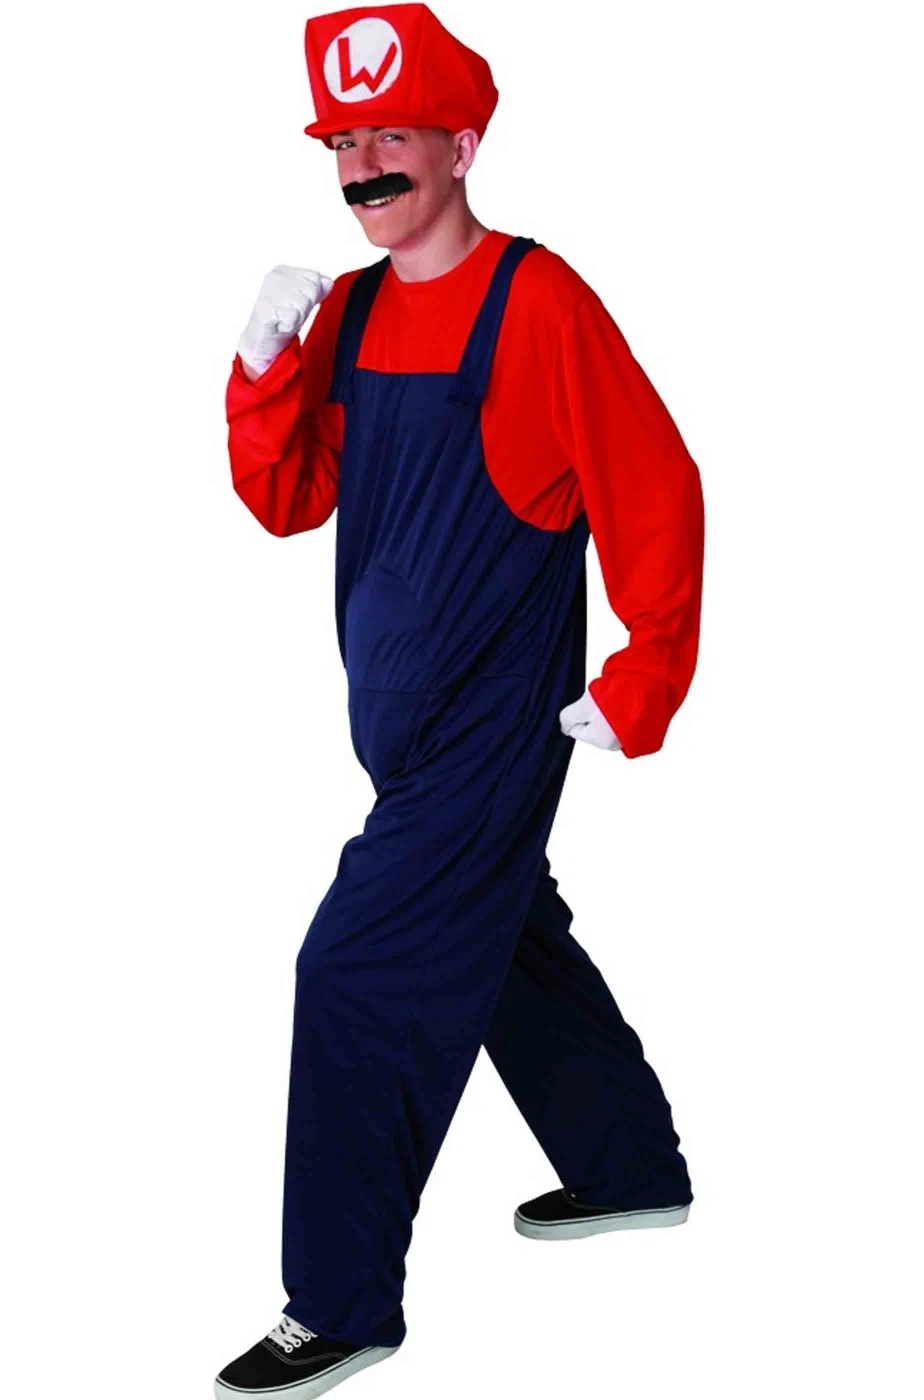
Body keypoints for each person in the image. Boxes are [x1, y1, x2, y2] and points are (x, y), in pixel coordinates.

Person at [217, 5, 705, 1396]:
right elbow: (290, 500)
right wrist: (262, 370)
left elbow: (655, 485)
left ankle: (340, 1305)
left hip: (497, 727)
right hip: (395, 723)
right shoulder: (354, 312)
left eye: (392, 137)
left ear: (463, 144)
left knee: (356, 970)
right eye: (343, 142)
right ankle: (630, 1167)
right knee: (501, 928)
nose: (364, 167)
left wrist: (644, 672)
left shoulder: (540, 302)